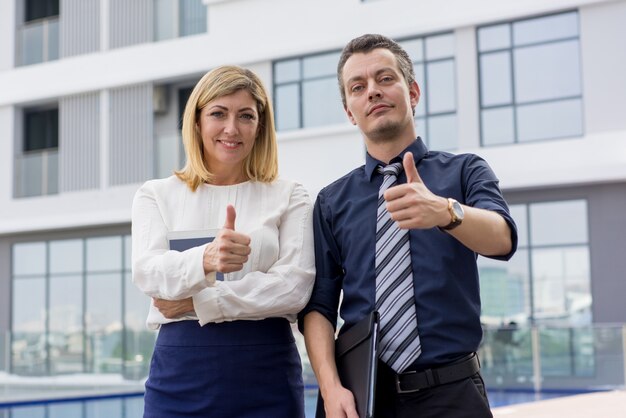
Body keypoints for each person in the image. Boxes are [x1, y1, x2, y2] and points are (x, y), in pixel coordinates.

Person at [299, 34, 518, 418]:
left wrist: (446, 212)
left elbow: (502, 238)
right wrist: (331, 389)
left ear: (413, 92)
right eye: (358, 87)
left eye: (385, 79)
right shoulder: (332, 201)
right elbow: (319, 307)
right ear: (350, 111)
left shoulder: (465, 171)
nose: (372, 92)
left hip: (454, 394)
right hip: (366, 396)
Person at [131, 65, 315, 418]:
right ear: (197, 121)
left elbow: (293, 288)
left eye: (246, 116)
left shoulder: (291, 195)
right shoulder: (155, 194)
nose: (232, 128)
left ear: (260, 127)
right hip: (179, 374)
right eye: (218, 113)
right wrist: (206, 258)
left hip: (268, 374)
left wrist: (197, 303)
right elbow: (148, 273)